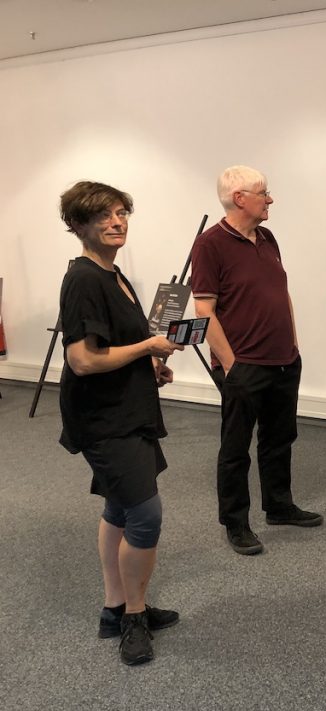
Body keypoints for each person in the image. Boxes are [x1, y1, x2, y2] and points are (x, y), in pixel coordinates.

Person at [57, 181, 185, 665]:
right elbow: (83, 359)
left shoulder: (114, 274)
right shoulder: (85, 280)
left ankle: (114, 609)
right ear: (78, 225)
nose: (116, 222)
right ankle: (134, 615)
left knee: (119, 507)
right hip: (103, 418)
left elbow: (114, 345)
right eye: (103, 216)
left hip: (129, 407)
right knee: (145, 515)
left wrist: (148, 365)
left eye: (121, 213)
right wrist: (148, 346)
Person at [191, 166, 323, 556]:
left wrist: (293, 343)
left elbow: (282, 292)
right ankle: (236, 522)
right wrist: (231, 364)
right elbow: (204, 310)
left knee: (280, 438)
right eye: (264, 193)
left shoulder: (267, 238)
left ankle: (279, 506)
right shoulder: (210, 244)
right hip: (245, 365)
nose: (270, 199)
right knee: (235, 448)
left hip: (284, 360)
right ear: (239, 199)